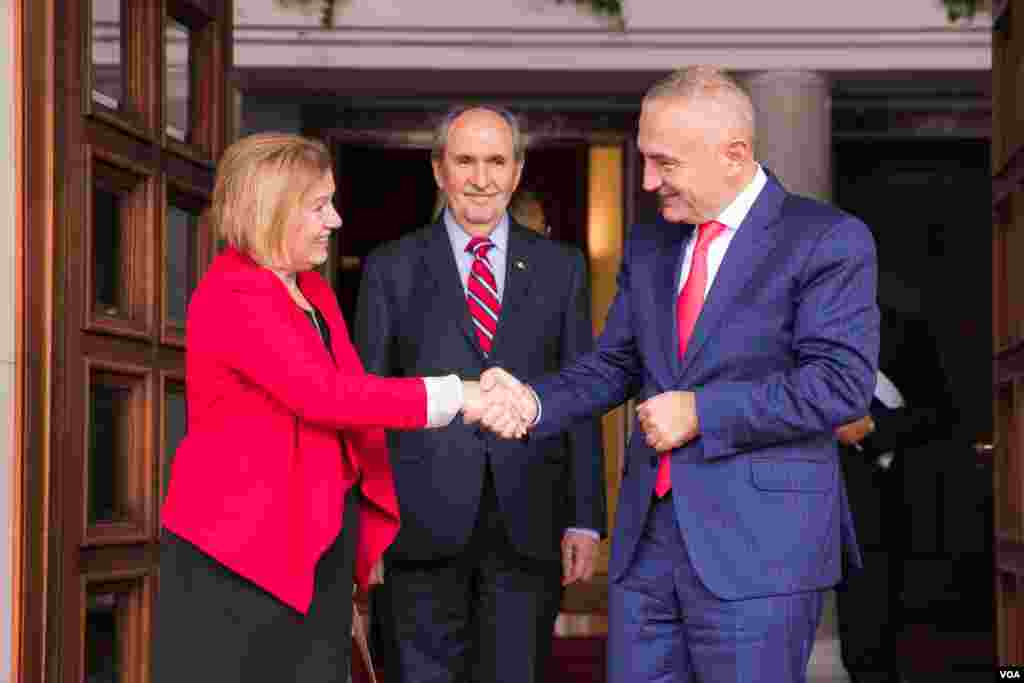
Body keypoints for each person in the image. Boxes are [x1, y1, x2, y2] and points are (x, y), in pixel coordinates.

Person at [473, 66, 880, 683]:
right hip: (647, 549)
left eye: (665, 163)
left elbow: (840, 384)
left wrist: (701, 412)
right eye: (644, 159)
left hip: (761, 554)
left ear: (734, 156)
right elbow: (616, 363)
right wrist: (533, 403)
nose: (648, 181)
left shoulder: (827, 239)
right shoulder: (651, 242)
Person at [155, 132, 510, 683]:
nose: (337, 220)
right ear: (271, 209)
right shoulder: (233, 294)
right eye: (320, 206)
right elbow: (324, 396)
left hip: (313, 540)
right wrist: (455, 394)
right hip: (240, 550)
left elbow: (354, 396)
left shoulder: (312, 290)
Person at [354, 105, 606, 683]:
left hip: (529, 519)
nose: (481, 177)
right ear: (439, 169)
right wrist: (367, 522)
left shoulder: (561, 267)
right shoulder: (390, 267)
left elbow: (581, 390)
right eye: (465, 160)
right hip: (419, 524)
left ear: (517, 171)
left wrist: (586, 517)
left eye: (497, 161)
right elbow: (368, 400)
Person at [834, 307, 955, 683]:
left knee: (908, 633)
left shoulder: (903, 328)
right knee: (860, 641)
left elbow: (940, 413)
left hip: (909, 496)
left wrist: (872, 425)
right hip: (836, 501)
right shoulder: (802, 334)